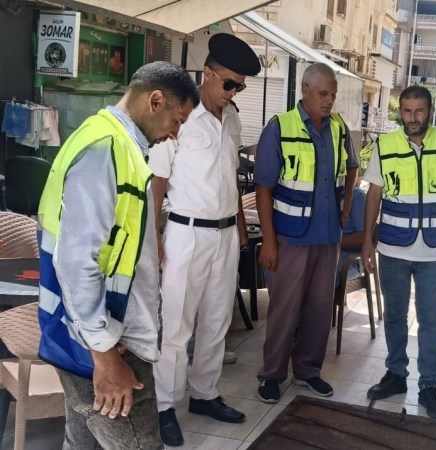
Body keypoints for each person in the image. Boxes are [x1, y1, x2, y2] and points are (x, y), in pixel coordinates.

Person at [37, 61, 199, 449]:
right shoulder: (106, 150)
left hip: (84, 337)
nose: (175, 134)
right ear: (155, 101)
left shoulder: (108, 141)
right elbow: (76, 261)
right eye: (176, 121)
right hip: (107, 344)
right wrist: (106, 356)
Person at [148, 33, 261, 447]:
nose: (233, 92)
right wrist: (155, 235)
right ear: (208, 74)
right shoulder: (178, 116)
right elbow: (157, 180)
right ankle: (164, 405)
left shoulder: (231, 119)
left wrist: (241, 229)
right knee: (177, 324)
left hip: (225, 234)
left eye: (240, 87)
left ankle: (205, 393)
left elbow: (230, 178)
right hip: (186, 232)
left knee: (217, 320)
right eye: (229, 83)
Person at [253, 62, 358, 403]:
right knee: (284, 309)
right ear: (305, 91)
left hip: (328, 237)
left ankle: (308, 370)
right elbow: (263, 187)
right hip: (291, 237)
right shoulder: (279, 128)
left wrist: (346, 207)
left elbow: (352, 166)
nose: (329, 100)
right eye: (323, 94)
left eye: (333, 95)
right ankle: (271, 375)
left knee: (319, 309)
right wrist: (269, 241)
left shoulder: (338, 128)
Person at [362, 85, 436, 420]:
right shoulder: (385, 146)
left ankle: (429, 385)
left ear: (430, 112)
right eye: (407, 111)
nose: (413, 118)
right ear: (400, 112)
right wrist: (367, 241)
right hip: (393, 248)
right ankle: (396, 373)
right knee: (395, 316)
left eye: (419, 111)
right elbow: (374, 195)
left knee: (431, 321)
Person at [336, 184, 366, 288]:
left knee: (320, 280)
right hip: (324, 256)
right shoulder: (322, 195)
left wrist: (333, 244)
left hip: (349, 262)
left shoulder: (357, 196)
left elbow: (364, 236)